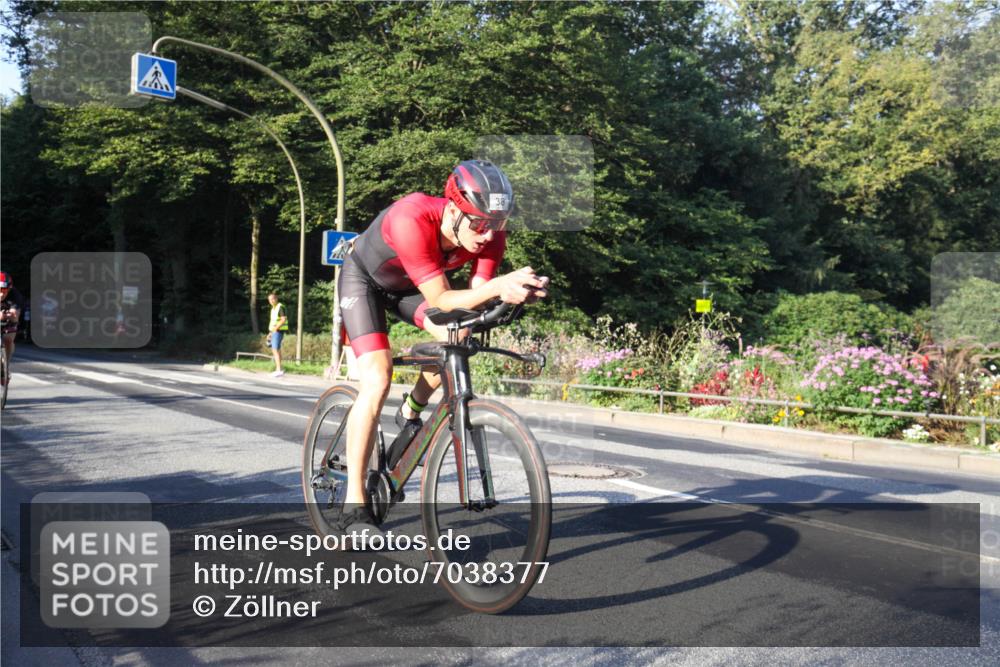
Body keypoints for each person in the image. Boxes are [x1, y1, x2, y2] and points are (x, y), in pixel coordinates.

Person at [336, 159, 549, 529]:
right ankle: (353, 503)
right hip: (365, 282)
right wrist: (498, 288)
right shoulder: (411, 218)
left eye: (497, 225)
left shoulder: (490, 234)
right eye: (480, 224)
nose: (488, 234)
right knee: (377, 378)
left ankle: (410, 410)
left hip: (408, 289)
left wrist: (513, 295)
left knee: (459, 334)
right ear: (453, 210)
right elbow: (440, 299)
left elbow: (475, 297)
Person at [0, 272, 24, 372]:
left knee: (9, 340)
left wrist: (8, 315)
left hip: (7, 320)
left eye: (5, 290)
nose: (2, 293)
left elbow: (15, 315)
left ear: (9, 289)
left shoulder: (15, 294)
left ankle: (6, 366)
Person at [267, 292, 288, 377]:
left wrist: (274, 330)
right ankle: (278, 369)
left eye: (272, 299)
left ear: (276, 299)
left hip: (278, 331)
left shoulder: (280, 307)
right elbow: (273, 322)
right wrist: (270, 333)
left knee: (275, 349)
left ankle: (279, 369)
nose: (271, 301)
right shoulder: (273, 309)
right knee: (276, 349)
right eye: (269, 300)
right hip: (274, 331)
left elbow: (283, 319)